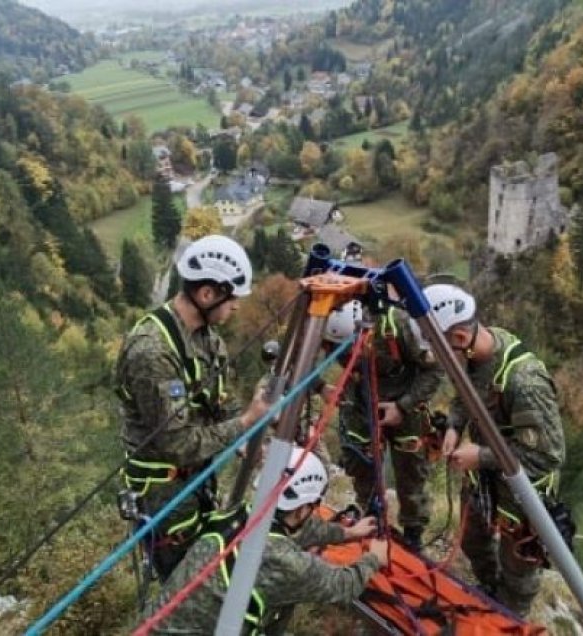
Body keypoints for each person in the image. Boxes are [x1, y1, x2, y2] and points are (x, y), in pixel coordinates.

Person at [116, 235, 270, 579]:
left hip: (196, 480)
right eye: (232, 299)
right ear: (207, 294)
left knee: (210, 566)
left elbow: (218, 401)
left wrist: (241, 439)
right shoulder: (152, 352)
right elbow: (178, 444)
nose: (236, 308)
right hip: (165, 494)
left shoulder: (206, 338)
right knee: (184, 583)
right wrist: (245, 423)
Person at [423, 283, 565, 617]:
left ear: (459, 338)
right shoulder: (477, 353)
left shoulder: (524, 382)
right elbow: (465, 393)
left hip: (522, 494)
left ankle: (508, 618)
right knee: (474, 539)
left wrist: (480, 456)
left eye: (440, 349)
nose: (439, 361)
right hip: (484, 479)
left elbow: (548, 457)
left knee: (517, 572)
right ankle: (488, 589)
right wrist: (456, 426)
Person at [141, 446, 389, 635]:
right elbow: (343, 586)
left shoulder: (240, 514)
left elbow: (299, 528)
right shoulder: (284, 561)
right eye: (312, 507)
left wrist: (347, 533)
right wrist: (373, 559)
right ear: (303, 508)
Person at [322, 299, 443, 550]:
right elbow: (294, 364)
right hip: (360, 402)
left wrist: (403, 406)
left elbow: (434, 370)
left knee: (411, 470)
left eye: (351, 348)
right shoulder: (323, 326)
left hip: (405, 401)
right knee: (360, 463)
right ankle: (371, 520)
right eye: (340, 351)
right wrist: (321, 387)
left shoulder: (398, 325)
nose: (347, 356)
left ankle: (413, 533)